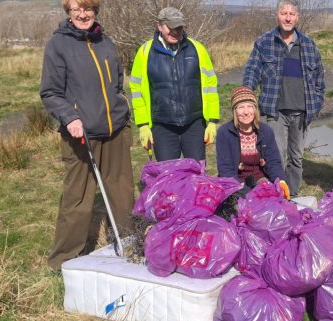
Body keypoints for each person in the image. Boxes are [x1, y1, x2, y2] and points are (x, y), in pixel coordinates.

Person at [40, 0, 134, 271]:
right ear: (68, 12)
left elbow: (117, 81)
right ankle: (64, 261)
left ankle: (128, 244)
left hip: (114, 129)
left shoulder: (106, 40)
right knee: (78, 199)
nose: (83, 14)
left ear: (96, 10)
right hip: (80, 133)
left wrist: (121, 107)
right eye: (76, 9)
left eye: (88, 9)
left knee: (122, 191)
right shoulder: (58, 45)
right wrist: (70, 117)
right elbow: (50, 92)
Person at [243, 0, 325, 197]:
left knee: (297, 158)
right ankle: (277, 195)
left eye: (292, 14)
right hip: (275, 112)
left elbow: (319, 80)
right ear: (277, 15)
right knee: (276, 156)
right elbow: (252, 71)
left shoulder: (308, 45)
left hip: (302, 113)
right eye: (283, 13)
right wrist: (246, 96)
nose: (288, 18)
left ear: (297, 17)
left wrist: (317, 103)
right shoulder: (264, 42)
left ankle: (293, 196)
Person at [129, 7, 220, 161]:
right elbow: (136, 91)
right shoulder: (145, 52)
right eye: (171, 27)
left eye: (179, 27)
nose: (176, 31)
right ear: (159, 26)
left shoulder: (197, 49)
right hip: (162, 125)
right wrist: (143, 125)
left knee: (196, 174)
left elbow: (210, 85)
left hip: (194, 123)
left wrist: (212, 121)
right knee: (168, 175)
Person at [217, 87, 290, 199]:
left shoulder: (266, 131)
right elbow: (225, 171)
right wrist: (248, 194)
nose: (246, 112)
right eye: (241, 107)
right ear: (234, 110)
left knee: (271, 203)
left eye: (250, 106)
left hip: (260, 180)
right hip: (236, 183)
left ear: (255, 109)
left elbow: (273, 162)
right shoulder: (224, 132)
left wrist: (280, 180)